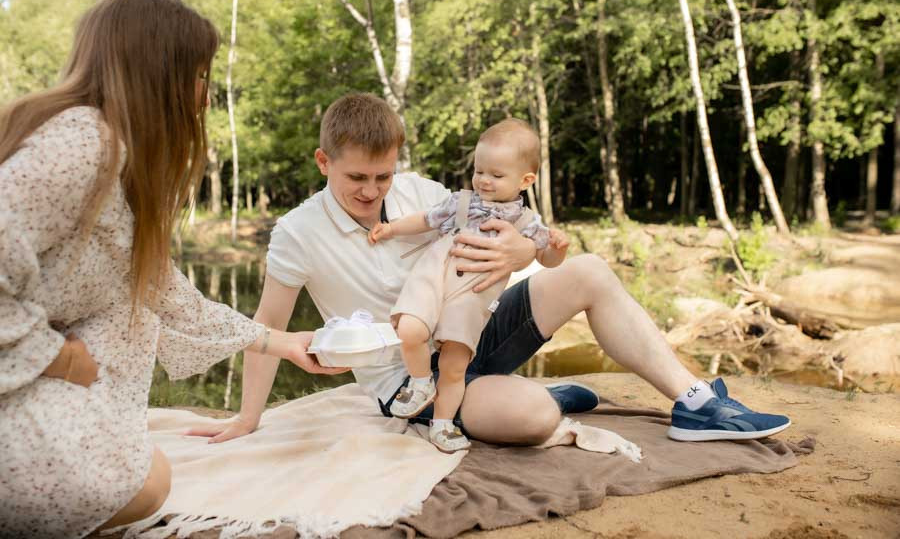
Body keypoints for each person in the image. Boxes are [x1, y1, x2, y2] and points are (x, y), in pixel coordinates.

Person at [190, 92, 790, 450]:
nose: (374, 191)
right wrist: (247, 418)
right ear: (324, 162)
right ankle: (532, 396)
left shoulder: (420, 191)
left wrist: (525, 253)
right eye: (357, 179)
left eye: (384, 176)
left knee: (589, 269)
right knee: (533, 419)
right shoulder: (297, 232)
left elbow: (520, 233)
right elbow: (265, 326)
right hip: (410, 380)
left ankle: (693, 402)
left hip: (478, 324)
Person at [0, 0, 345, 539]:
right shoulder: (83, 145)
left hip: (34, 380)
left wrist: (283, 344)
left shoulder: (116, 155)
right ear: (159, 74)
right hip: (18, 382)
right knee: (149, 485)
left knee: (133, 320)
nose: (204, 95)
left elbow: (164, 291)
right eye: (199, 75)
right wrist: (59, 359)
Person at [367, 119, 569, 452]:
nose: (484, 181)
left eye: (496, 175)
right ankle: (420, 384)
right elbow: (425, 219)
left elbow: (545, 259)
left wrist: (556, 249)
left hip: (471, 297)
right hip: (433, 277)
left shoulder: (526, 222)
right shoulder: (460, 202)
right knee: (410, 329)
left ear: (526, 180)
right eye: (479, 171)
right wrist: (391, 228)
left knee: (453, 366)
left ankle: (443, 425)